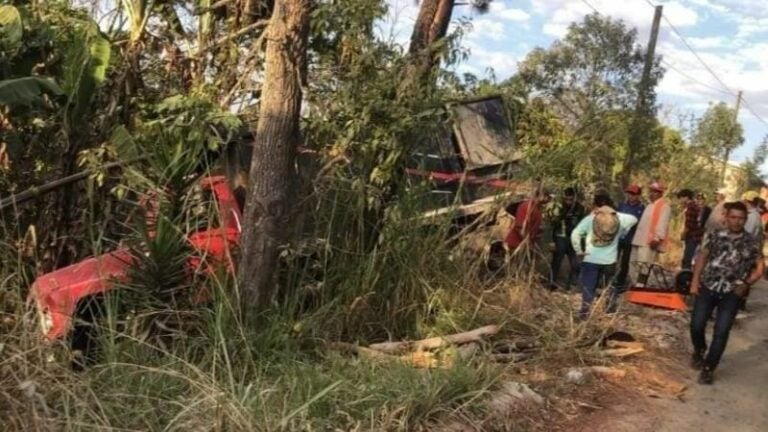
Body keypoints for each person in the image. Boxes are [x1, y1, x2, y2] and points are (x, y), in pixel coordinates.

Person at [689, 201, 764, 384]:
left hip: (731, 293)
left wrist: (746, 283)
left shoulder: (751, 242)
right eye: (733, 217)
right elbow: (703, 257)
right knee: (696, 325)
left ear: (745, 220)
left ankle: (708, 368)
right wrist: (695, 280)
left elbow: (760, 268)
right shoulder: (714, 235)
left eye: (741, 218)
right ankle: (699, 350)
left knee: (721, 331)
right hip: (708, 286)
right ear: (726, 217)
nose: (737, 221)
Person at [571, 193, 638, 319]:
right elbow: (634, 219)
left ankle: (585, 312)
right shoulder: (619, 218)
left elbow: (575, 234)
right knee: (610, 286)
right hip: (610, 261)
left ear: (595, 205)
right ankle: (609, 309)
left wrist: (579, 250)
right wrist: (623, 231)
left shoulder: (591, 218)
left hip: (590, 258)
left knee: (589, 287)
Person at [630, 182, 672, 287]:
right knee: (634, 264)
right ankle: (635, 285)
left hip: (649, 241)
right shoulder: (649, 205)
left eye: (655, 192)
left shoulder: (664, 206)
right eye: (651, 191)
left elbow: (663, 223)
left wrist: (657, 238)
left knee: (644, 265)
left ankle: (641, 287)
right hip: (639, 239)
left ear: (660, 193)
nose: (652, 194)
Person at [549, 187, 586, 290]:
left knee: (575, 263)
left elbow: (583, 224)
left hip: (573, 239)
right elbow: (553, 224)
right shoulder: (559, 207)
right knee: (556, 262)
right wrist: (552, 240)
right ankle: (552, 283)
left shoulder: (580, 208)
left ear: (575, 198)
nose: (568, 201)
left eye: (571, 199)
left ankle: (572, 285)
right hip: (560, 237)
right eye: (566, 199)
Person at [614, 185, 645, 291]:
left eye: (634, 194)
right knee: (613, 259)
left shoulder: (642, 208)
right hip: (618, 238)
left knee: (625, 262)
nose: (631, 196)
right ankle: (609, 280)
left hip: (631, 239)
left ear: (638, 195)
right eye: (629, 193)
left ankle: (620, 283)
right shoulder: (621, 205)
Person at [677, 189, 703, 270]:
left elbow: (689, 224)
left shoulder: (690, 207)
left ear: (686, 197)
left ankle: (685, 276)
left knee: (687, 259)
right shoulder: (696, 205)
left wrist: (683, 234)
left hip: (692, 237)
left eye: (681, 198)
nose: (680, 201)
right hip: (697, 237)